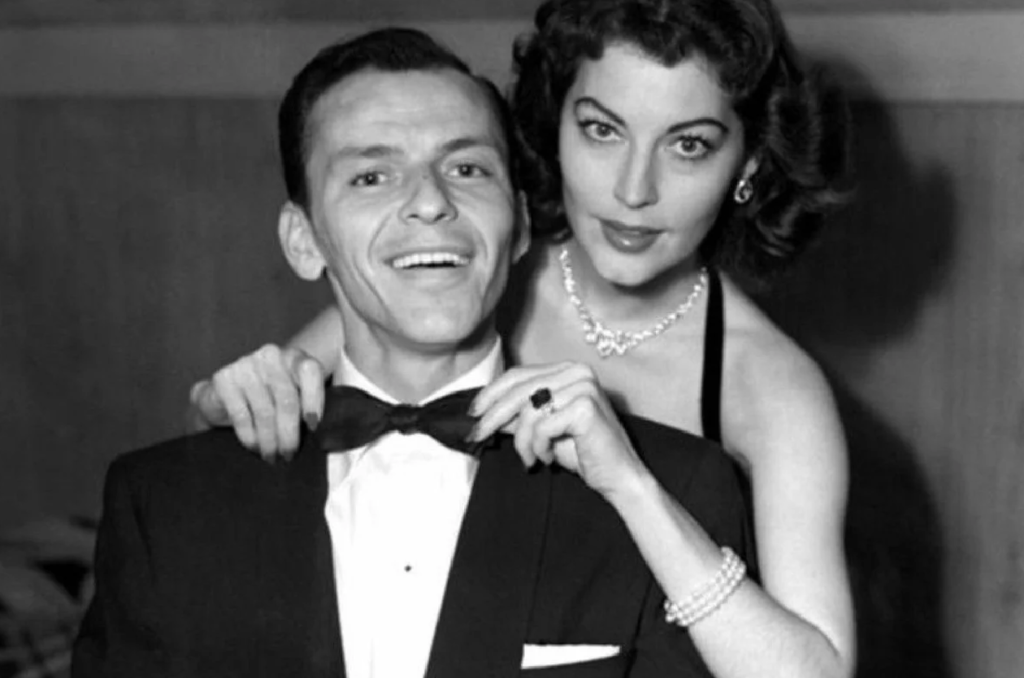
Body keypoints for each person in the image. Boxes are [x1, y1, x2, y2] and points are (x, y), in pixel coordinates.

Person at [189, 1, 856, 677]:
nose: (634, 190)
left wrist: (635, 488)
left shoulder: (769, 387)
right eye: (602, 130)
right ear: (552, 124)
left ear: (748, 163)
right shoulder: (467, 272)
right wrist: (227, 395)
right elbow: (245, 420)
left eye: (688, 146)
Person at [73, 27, 753, 678]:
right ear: (303, 241)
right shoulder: (165, 504)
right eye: (372, 177)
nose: (430, 203)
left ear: (519, 225)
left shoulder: (672, 490)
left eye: (466, 168)